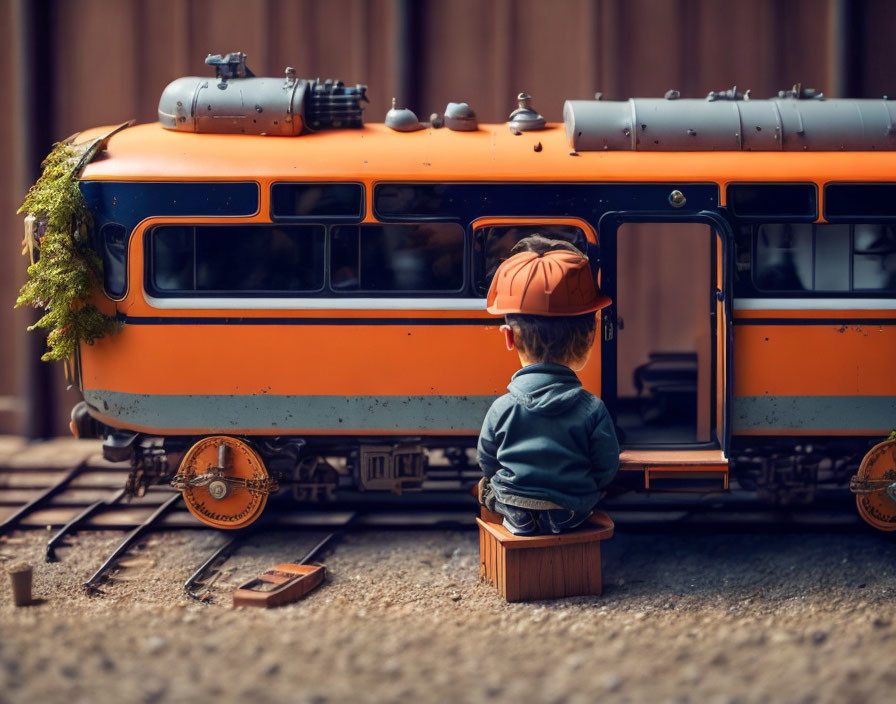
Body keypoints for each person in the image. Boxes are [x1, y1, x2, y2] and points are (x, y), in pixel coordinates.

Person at [477, 235, 620, 535]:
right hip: (572, 506)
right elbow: (606, 468)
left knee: (486, 488)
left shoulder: (501, 407)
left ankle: (518, 517)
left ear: (508, 337)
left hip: (515, 499)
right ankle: (562, 517)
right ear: (588, 338)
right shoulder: (592, 408)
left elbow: (487, 461)